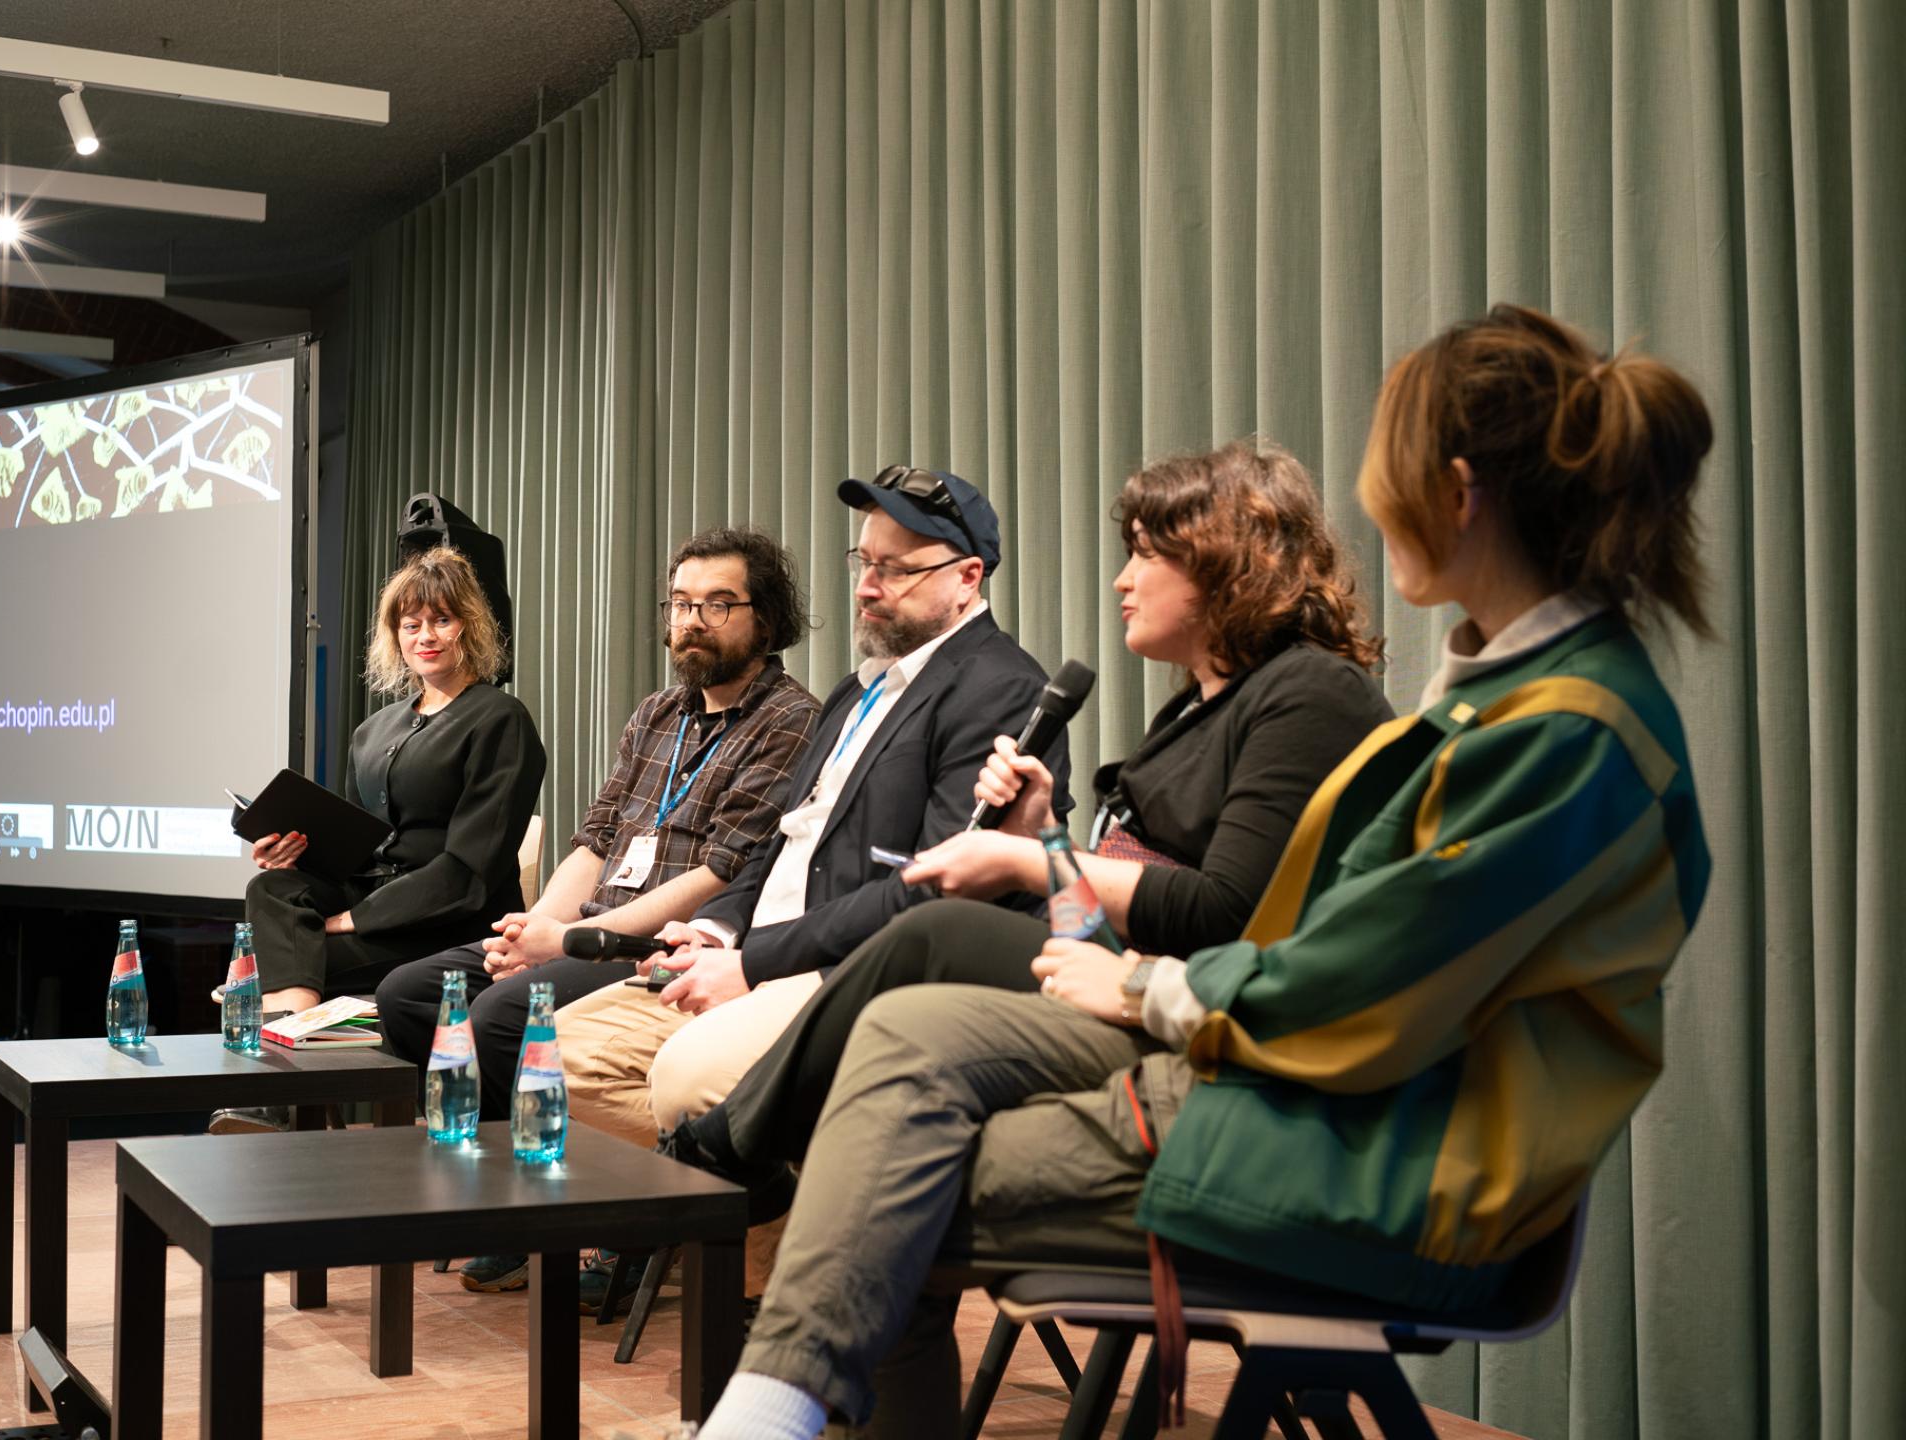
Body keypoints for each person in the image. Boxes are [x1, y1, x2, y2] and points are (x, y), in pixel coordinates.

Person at [688, 303, 1717, 1440]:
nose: (1376, 508)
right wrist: (1066, 875)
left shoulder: (1561, 730)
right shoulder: (1507, 699)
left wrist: (1138, 984)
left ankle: (755, 1407)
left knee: (884, 1170)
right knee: (899, 1046)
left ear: (1460, 493)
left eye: (1390, 481)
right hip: (1302, 1095)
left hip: (1374, 1162)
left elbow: (1344, 975)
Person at [666, 439, 1394, 1189]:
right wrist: (1041, 834)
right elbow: (1106, 917)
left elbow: (1225, 912)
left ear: (1228, 568)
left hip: (1202, 1016)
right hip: (1117, 970)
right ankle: (728, 1157)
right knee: (918, 980)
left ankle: (719, 1150)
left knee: (931, 935)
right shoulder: (1195, 708)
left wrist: (1029, 863)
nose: (1122, 580)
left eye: (1146, 556)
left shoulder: (1309, 694)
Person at [553, 467, 1071, 1287]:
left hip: (846, 970)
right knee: (559, 1054)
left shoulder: (998, 689)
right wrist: (717, 926)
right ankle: (783, 1199)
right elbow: (781, 842)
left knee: (691, 1079)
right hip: (760, 953)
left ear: (968, 577)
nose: (867, 587)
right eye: (864, 562)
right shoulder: (856, 691)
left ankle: (765, 1274)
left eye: (896, 569)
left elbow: (934, 888)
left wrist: (755, 963)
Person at [373, 527, 821, 1291]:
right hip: (586, 930)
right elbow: (597, 838)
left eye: (718, 604)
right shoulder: (658, 713)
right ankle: (515, 1201)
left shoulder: (789, 720)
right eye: (681, 604)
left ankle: (612, 1219)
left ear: (767, 619)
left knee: (501, 1018)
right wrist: (534, 929)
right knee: (411, 996)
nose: (693, 621)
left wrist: (571, 940)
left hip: (664, 944)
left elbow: (722, 872)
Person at [239, 545, 544, 1021]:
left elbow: (467, 873)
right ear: (395, 635)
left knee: (286, 961)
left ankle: (285, 1045)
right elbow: (357, 852)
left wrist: (351, 920)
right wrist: (293, 854)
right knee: (270, 889)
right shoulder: (373, 731)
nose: (426, 636)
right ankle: (291, 1034)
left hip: (449, 922)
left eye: (442, 620)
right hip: (375, 903)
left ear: (469, 625)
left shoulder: (500, 719)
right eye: (411, 625)